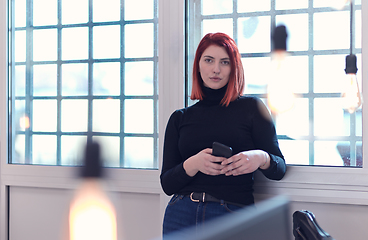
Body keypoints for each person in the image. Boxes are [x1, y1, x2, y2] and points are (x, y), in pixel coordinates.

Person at [160, 32, 287, 236]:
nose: (216, 69)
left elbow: (279, 168)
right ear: (198, 64)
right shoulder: (179, 118)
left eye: (225, 62)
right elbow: (167, 184)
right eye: (209, 60)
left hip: (233, 213)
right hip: (181, 213)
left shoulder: (253, 108)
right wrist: (194, 164)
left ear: (234, 68)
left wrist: (260, 158)